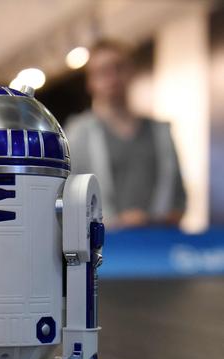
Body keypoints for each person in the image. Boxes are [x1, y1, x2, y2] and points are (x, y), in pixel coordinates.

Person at [65, 39, 186, 229]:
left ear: (131, 73)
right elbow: (70, 197)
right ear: (90, 82)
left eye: (118, 68)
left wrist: (155, 220)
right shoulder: (77, 135)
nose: (112, 78)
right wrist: (117, 222)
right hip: (105, 248)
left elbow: (179, 196)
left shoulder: (160, 132)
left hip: (158, 242)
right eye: (103, 72)